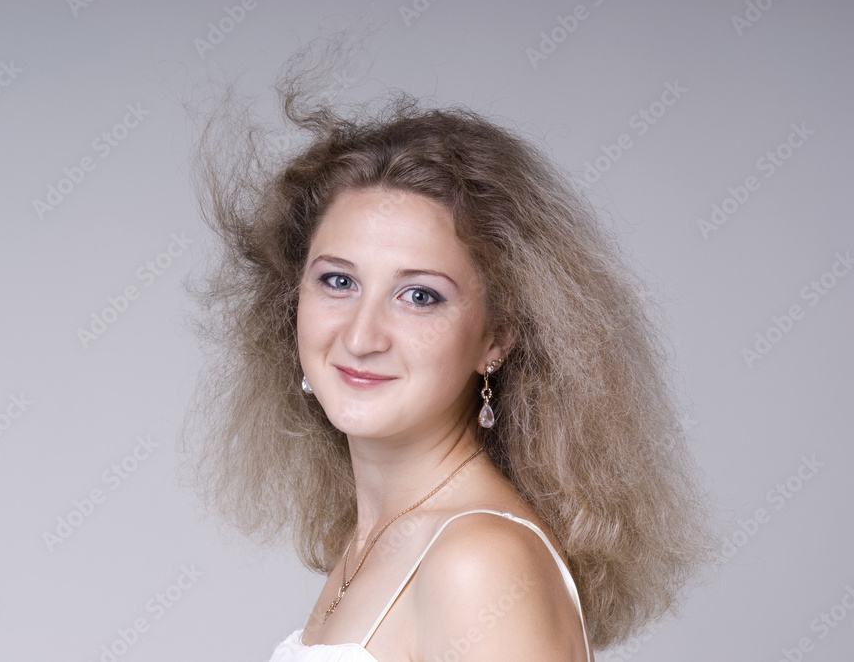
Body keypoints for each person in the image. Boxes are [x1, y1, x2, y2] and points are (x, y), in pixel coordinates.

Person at [183, 38, 713, 662]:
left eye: (419, 296)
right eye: (338, 281)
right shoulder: (376, 540)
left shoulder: (477, 562)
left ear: (496, 338)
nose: (360, 337)